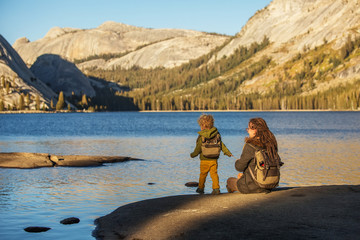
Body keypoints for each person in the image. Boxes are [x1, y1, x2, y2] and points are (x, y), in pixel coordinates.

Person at [227, 117, 282, 194]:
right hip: (269, 185)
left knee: (230, 181)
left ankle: (236, 187)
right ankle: (242, 179)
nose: (248, 131)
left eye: (248, 129)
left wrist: (237, 162)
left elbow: (239, 167)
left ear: (255, 131)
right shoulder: (271, 144)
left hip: (251, 186)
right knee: (242, 176)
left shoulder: (250, 146)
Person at [190, 114, 233, 195]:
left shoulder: (202, 136)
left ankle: (201, 188)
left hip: (204, 159)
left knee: (203, 174)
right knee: (214, 174)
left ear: (202, 125)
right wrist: (228, 153)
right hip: (214, 159)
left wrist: (193, 155)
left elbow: (198, 148)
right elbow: (221, 145)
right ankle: (216, 189)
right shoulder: (217, 134)